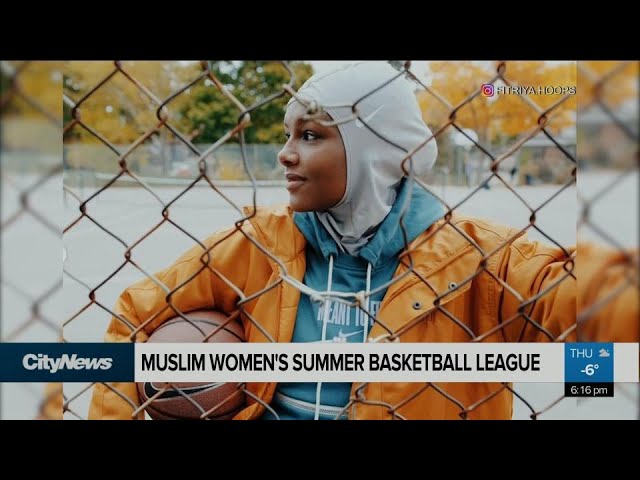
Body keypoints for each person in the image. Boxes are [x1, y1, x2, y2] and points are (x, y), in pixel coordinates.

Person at [88, 62, 638, 420]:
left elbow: (581, 309)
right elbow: (133, 314)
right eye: (287, 136)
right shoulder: (256, 244)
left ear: (378, 153)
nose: (285, 153)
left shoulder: (480, 259)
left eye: (310, 135)